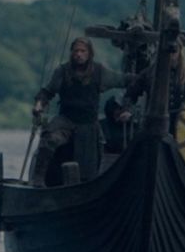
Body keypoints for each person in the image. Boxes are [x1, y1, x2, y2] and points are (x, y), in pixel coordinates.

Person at [30, 37, 133, 187]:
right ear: (72, 53)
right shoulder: (63, 71)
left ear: (89, 53)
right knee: (50, 140)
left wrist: (142, 78)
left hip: (88, 124)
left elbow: (122, 80)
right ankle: (39, 178)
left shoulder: (99, 72)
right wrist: (39, 104)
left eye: (83, 51)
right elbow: (47, 92)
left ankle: (83, 187)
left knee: (88, 167)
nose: (79, 54)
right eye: (76, 51)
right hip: (66, 120)